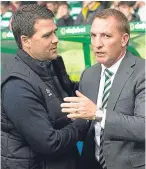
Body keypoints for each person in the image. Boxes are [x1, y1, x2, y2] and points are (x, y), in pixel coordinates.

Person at [1, 4, 89, 169]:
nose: (56, 39)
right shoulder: (17, 86)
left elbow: (72, 93)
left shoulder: (51, 64)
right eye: (47, 35)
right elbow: (49, 143)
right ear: (26, 41)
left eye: (55, 32)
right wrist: (82, 123)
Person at [61, 8, 145, 169]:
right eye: (93, 36)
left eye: (106, 36)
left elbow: (143, 127)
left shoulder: (142, 72)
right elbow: (85, 125)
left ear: (124, 39)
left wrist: (98, 114)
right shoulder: (89, 74)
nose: (97, 44)